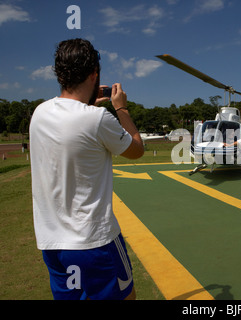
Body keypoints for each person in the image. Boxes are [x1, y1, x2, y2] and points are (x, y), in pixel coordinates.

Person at [29, 38, 144, 300]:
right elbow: (136, 149)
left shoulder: (40, 113)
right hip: (94, 241)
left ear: (60, 73)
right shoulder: (97, 118)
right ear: (94, 75)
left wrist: (90, 108)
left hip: (52, 243)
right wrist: (121, 108)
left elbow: (72, 127)